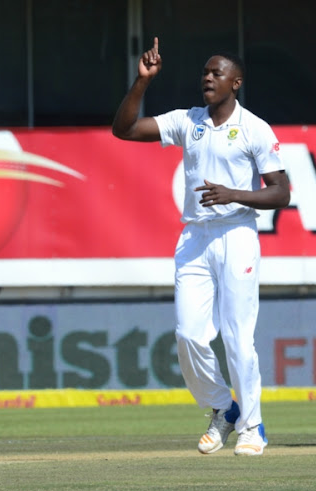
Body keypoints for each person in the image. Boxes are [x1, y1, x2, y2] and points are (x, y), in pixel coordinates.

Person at [112, 37, 290, 456]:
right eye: (205, 73)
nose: (207, 78)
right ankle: (222, 408)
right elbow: (124, 129)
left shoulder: (255, 128)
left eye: (217, 73)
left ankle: (252, 426)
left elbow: (280, 193)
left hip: (236, 234)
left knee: (236, 338)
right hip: (194, 237)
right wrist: (142, 82)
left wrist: (234, 194)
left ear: (237, 82)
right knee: (189, 336)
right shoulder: (186, 120)